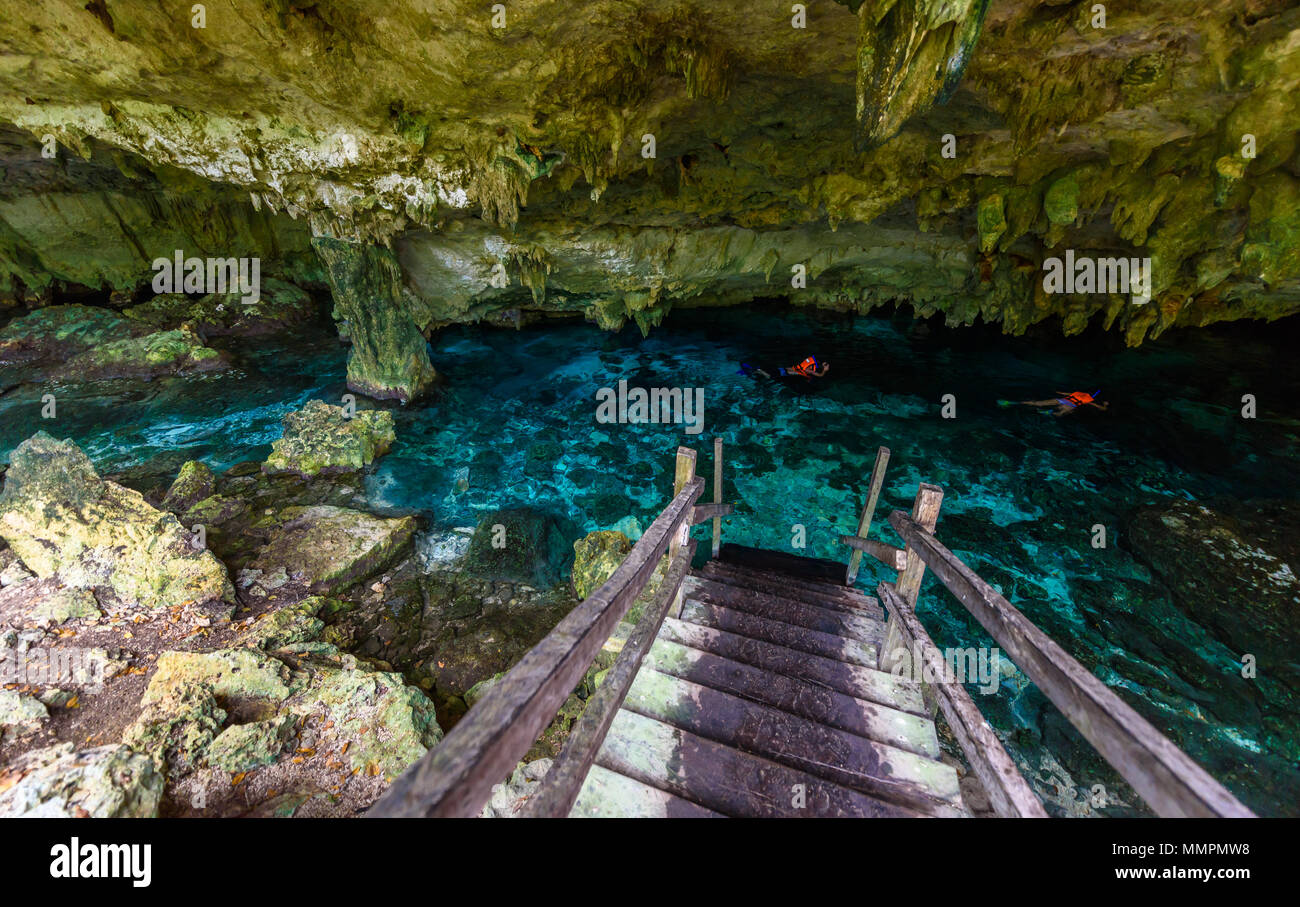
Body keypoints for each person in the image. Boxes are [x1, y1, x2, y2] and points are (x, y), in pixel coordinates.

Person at [1019, 389, 1108, 417]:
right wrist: (1105, 405)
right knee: (1059, 414)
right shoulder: (1089, 400)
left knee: (1037, 403)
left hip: (1061, 400)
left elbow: (1061, 393)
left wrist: (1055, 391)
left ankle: (1018, 403)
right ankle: (1049, 412)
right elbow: (1102, 409)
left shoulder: (1077, 393)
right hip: (1069, 406)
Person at [738, 355, 830, 381]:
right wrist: (825, 371)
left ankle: (752, 371)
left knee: (763, 372)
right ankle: (758, 370)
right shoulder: (808, 370)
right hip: (781, 373)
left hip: (781, 369)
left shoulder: (804, 365)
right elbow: (820, 375)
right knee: (768, 376)